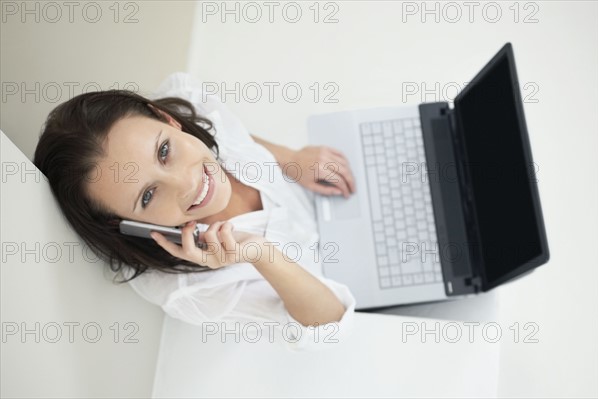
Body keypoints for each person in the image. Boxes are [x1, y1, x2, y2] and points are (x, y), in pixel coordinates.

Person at [33, 72, 358, 351]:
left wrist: (289, 158)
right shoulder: (190, 290)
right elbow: (329, 324)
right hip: (344, 269)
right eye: (147, 196)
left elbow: (223, 130)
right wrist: (260, 254)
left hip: (335, 196)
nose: (186, 182)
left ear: (166, 118)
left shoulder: (189, 106)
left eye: (164, 151)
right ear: (125, 223)